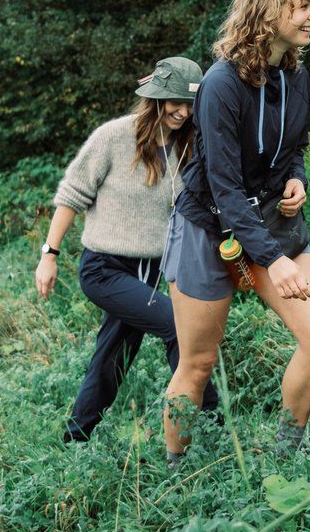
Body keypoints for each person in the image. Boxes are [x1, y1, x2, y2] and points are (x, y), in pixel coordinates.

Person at [161, 0, 310, 463]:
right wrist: (273, 260)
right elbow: (224, 187)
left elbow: (294, 146)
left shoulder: (295, 77)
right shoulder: (221, 84)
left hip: (268, 217)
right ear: (269, 10)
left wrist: (297, 179)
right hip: (208, 223)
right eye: (302, 6)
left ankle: (283, 456)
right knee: (197, 363)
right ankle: (176, 476)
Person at [37, 56, 220, 442]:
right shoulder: (113, 137)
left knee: (112, 356)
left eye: (190, 105)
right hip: (104, 269)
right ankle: (214, 424)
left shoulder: (188, 147)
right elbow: (71, 195)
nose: (183, 112)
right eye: (174, 103)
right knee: (181, 327)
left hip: (154, 271)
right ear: (155, 99)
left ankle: (75, 437)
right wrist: (49, 255)